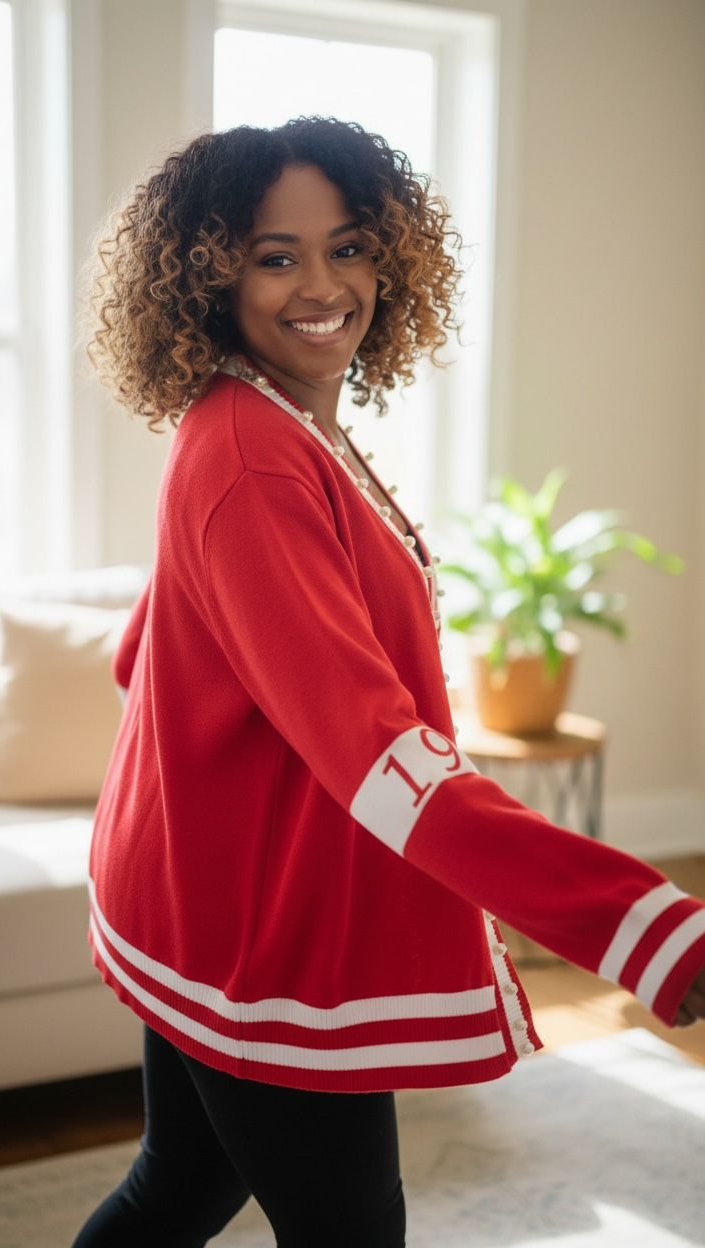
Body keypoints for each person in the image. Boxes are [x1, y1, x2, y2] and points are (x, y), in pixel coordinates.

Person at [74, 117, 705, 1247]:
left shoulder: (273, 423)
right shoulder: (251, 460)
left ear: (392, 259)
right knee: (347, 1230)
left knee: (181, 1188)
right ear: (210, 275)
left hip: (196, 888)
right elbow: (378, 757)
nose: (322, 284)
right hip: (254, 930)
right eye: (275, 256)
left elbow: (146, 651)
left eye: (350, 245)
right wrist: (647, 929)